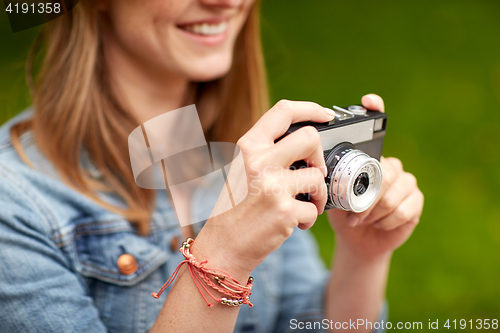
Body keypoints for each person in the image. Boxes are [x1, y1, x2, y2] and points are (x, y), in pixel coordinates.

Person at [0, 0, 424, 332]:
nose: (225, 2)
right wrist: (223, 257)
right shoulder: (15, 202)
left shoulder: (249, 153)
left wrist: (362, 258)